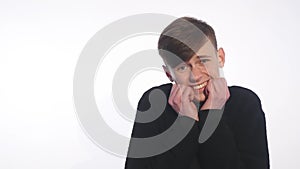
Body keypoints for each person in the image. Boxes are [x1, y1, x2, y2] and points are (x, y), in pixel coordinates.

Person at [125, 17, 269, 169]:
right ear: (169, 74)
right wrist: (185, 122)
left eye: (203, 61)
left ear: (220, 58)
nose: (195, 76)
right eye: (182, 67)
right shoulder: (155, 103)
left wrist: (211, 115)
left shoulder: (244, 104)